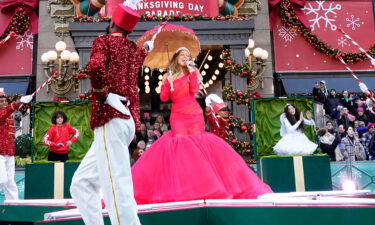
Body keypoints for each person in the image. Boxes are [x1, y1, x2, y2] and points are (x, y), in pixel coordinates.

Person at [131, 47, 272, 205]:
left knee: (198, 146)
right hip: (178, 116)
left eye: (187, 55)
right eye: (182, 54)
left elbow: (194, 90)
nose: (185, 57)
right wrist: (165, 82)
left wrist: (192, 71)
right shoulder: (168, 76)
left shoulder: (193, 72)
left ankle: (208, 188)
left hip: (194, 114)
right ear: (176, 57)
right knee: (181, 148)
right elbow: (164, 98)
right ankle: (185, 188)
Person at [69, 3, 154, 225]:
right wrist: (148, 48)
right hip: (124, 121)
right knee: (81, 182)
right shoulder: (134, 49)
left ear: (112, 22)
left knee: (116, 183)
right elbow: (138, 57)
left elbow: (95, 68)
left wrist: (104, 95)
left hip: (110, 117)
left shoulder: (103, 41)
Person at [0, 91, 32, 200]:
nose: (4, 103)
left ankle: (14, 206)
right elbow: (4, 112)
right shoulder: (3, 113)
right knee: (2, 180)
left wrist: (20, 103)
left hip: (9, 152)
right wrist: (17, 102)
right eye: (1, 101)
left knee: (10, 182)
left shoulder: (8, 115)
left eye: (5, 101)